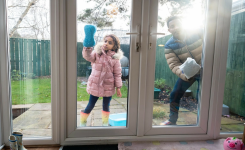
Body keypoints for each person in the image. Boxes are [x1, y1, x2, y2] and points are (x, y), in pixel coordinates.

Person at [160, 16, 203, 125]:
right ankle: (172, 120)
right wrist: (185, 75)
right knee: (174, 94)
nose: (176, 27)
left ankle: (208, 123)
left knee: (203, 96)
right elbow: (174, 64)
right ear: (169, 30)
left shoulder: (196, 33)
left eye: (178, 24)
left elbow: (212, 46)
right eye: (172, 26)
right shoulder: (169, 45)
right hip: (188, 73)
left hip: (205, 70)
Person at [81, 34, 123, 127]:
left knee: (106, 105)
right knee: (90, 104)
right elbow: (88, 57)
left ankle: (104, 124)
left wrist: (118, 88)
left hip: (108, 86)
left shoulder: (115, 58)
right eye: (105, 41)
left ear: (114, 46)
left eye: (110, 42)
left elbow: (117, 74)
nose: (106, 43)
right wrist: (87, 48)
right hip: (95, 85)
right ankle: (83, 121)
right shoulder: (97, 53)